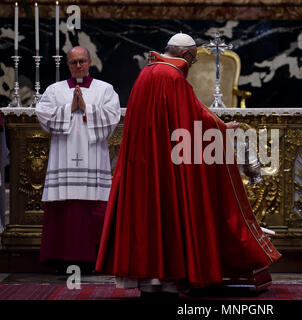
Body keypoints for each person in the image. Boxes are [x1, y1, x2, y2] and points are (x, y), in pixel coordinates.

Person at [95, 33, 280, 297]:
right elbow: (193, 117)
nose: (191, 66)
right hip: (166, 166)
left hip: (145, 163)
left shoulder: (147, 72)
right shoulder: (171, 77)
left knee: (148, 216)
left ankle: (150, 281)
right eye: (192, 61)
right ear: (185, 55)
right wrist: (221, 127)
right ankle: (168, 278)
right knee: (168, 213)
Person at [36, 46, 121, 274]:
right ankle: (59, 258)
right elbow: (42, 113)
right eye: (74, 62)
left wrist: (87, 108)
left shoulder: (105, 89)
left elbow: (113, 116)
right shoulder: (55, 90)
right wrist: (68, 108)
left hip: (93, 159)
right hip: (63, 158)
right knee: (65, 208)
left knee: (92, 207)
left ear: (90, 61)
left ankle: (94, 259)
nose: (78, 66)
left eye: (82, 61)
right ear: (68, 64)